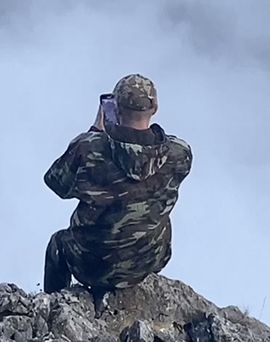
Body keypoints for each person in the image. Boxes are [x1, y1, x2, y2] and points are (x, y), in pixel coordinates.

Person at [42, 73, 193, 315]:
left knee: (57, 244)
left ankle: (52, 310)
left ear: (116, 109)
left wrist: (95, 131)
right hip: (148, 259)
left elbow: (56, 183)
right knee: (156, 208)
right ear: (155, 109)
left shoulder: (88, 148)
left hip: (92, 266)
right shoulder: (179, 153)